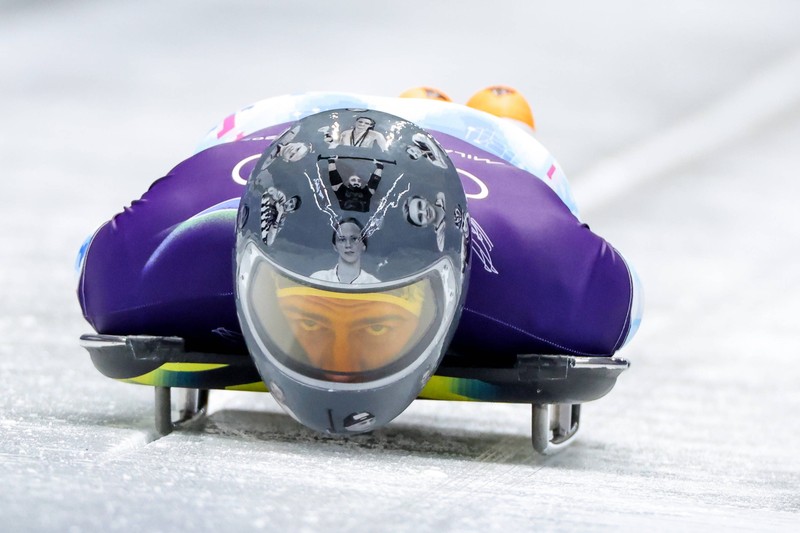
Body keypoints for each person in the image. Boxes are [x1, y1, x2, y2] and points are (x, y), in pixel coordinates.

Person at [76, 92, 643, 433]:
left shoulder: (541, 265)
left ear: (457, 278)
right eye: (308, 317)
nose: (340, 365)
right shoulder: (162, 251)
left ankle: (469, 114)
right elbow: (630, 311)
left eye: (377, 322)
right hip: (272, 125)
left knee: (506, 125)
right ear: (244, 268)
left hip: (489, 147)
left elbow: (87, 261)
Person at [310, 218, 379, 283]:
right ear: (335, 246)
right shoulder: (318, 279)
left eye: (354, 239)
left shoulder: (374, 284)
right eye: (342, 240)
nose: (348, 245)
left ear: (364, 245)